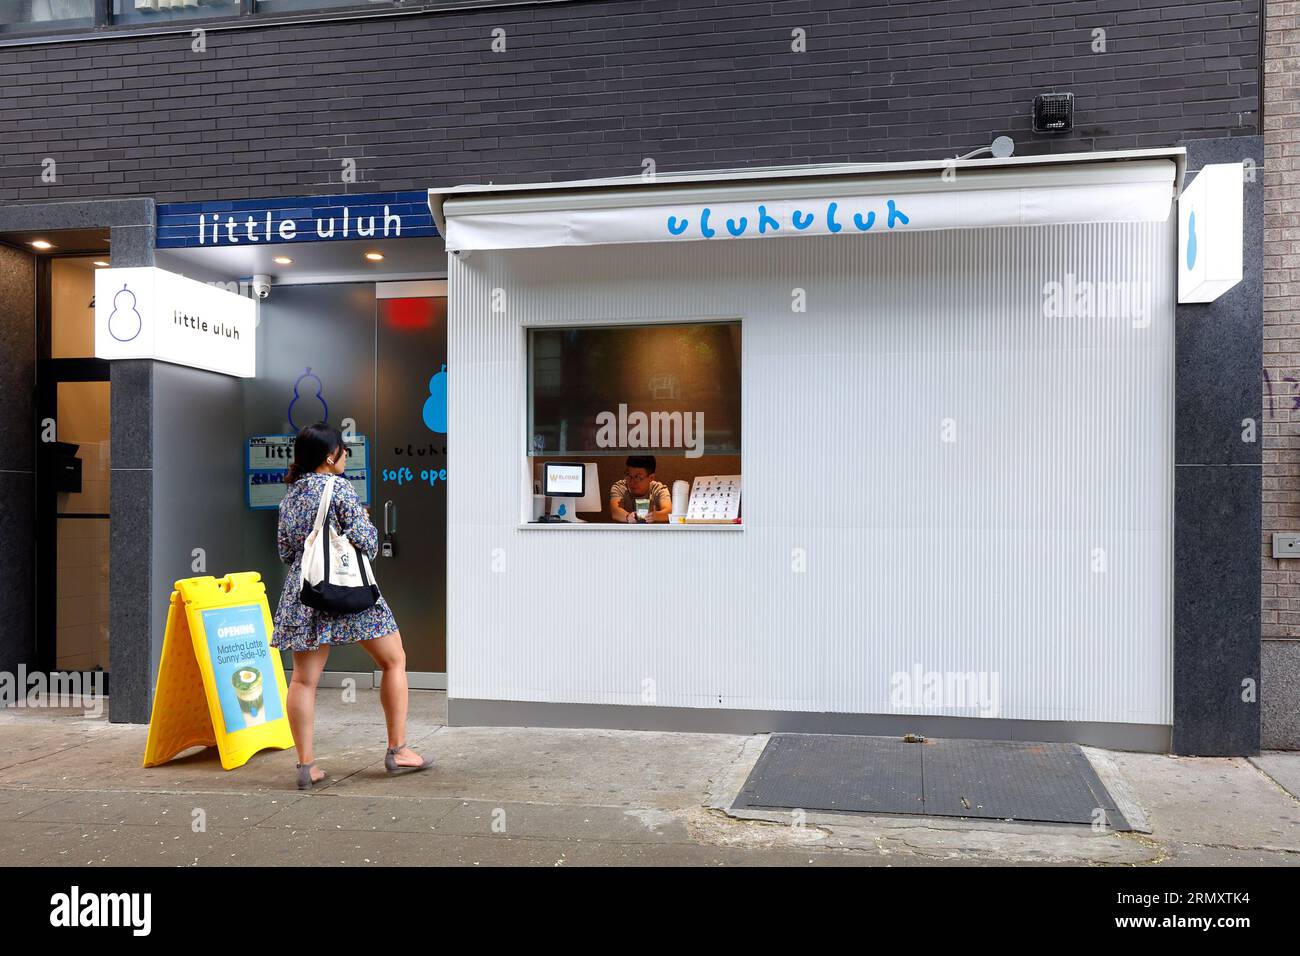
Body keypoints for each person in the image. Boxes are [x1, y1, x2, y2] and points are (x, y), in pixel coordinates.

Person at [270, 421, 432, 789]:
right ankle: (398, 750)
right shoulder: (339, 487)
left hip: (306, 592)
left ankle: (306, 766)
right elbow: (368, 544)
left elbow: (285, 552)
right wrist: (367, 522)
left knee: (303, 680)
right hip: (347, 590)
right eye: (343, 449)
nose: (346, 454)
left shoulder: (290, 495)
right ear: (330, 457)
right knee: (394, 660)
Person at [609, 454, 673, 523]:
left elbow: (669, 511)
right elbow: (615, 511)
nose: (632, 482)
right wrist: (628, 517)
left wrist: (654, 515)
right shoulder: (620, 487)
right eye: (629, 475)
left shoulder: (658, 489)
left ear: (651, 477)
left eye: (638, 477)